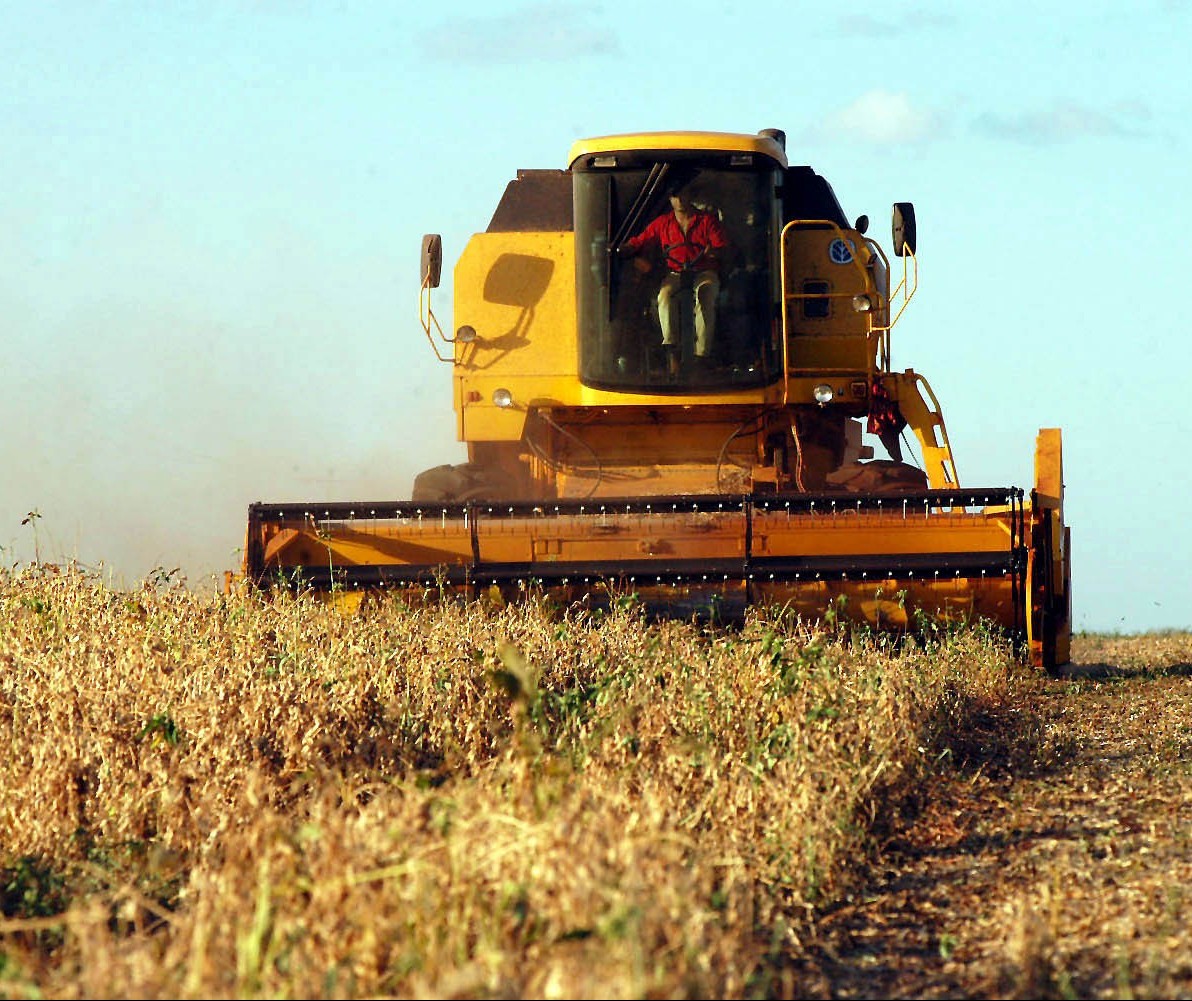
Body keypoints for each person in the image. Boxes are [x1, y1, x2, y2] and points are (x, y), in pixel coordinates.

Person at [618, 188, 728, 373]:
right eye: (675, 196)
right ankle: (671, 350)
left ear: (691, 197)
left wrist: (714, 252)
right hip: (676, 273)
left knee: (705, 294)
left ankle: (702, 355)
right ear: (670, 199)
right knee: (664, 295)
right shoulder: (663, 223)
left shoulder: (707, 221)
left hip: (703, 272)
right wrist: (627, 247)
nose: (680, 200)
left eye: (684, 195)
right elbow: (643, 239)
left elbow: (722, 247)